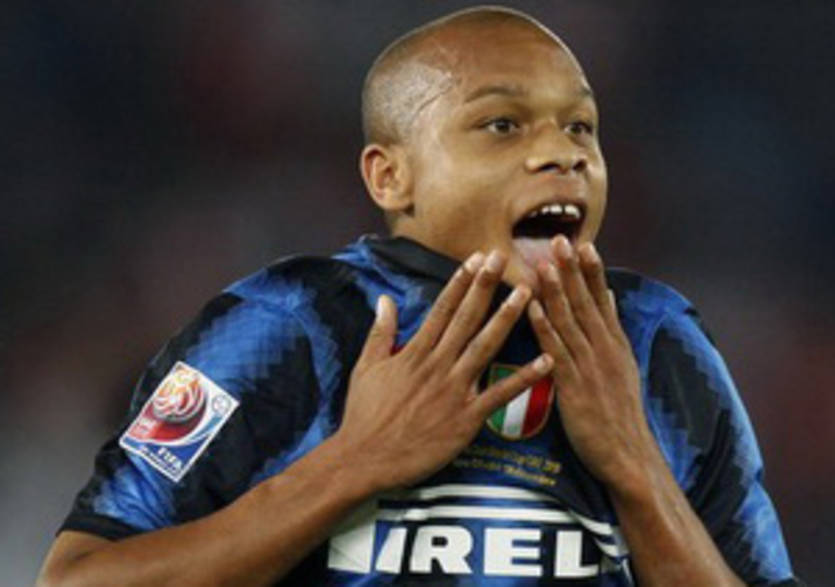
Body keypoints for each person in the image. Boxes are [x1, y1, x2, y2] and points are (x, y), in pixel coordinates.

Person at [38, 6, 801, 586]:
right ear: (388, 176)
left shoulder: (657, 342)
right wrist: (353, 464)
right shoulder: (279, 327)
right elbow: (79, 579)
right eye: (501, 124)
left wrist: (634, 465)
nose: (561, 153)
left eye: (580, 126)